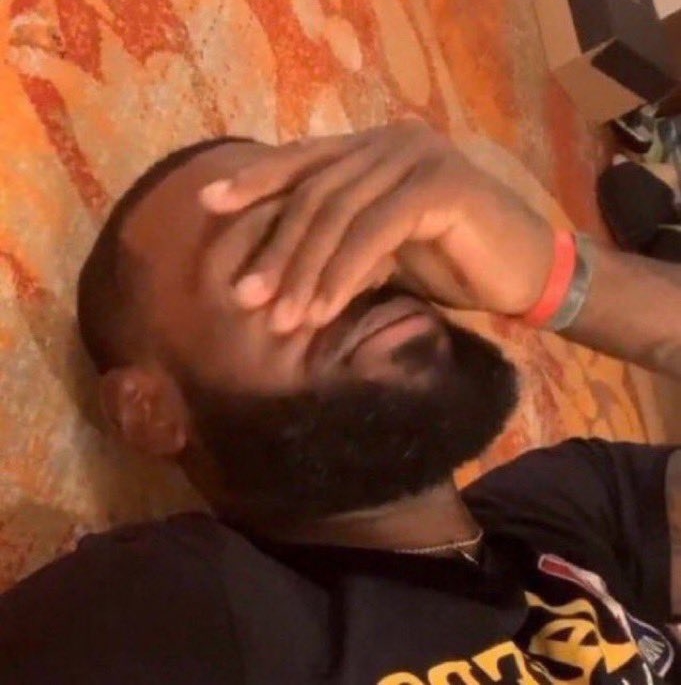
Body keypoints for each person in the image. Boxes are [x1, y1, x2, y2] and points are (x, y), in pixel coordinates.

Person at [0, 121, 679, 684]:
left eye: (355, 222)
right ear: (148, 410)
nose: (361, 267)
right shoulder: (183, 610)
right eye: (270, 251)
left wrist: (552, 275)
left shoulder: (567, 512)